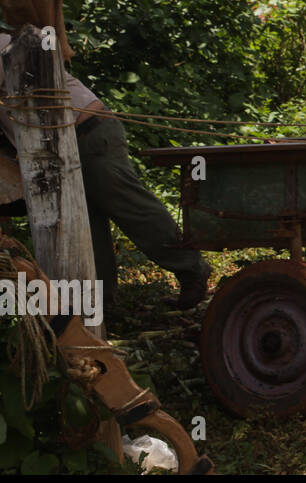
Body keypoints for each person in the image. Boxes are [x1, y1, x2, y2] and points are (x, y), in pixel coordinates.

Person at [0, 30, 210, 319]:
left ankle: (192, 269)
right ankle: (101, 305)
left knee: (129, 207)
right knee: (84, 226)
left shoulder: (5, 43)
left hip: (88, 133)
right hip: (59, 147)